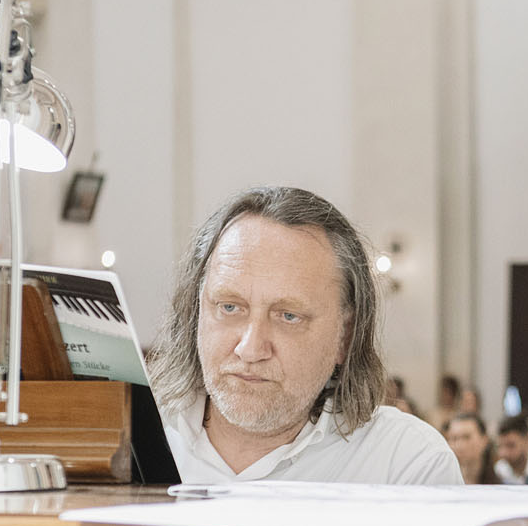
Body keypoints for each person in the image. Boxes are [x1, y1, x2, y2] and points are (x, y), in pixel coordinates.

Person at [151, 185, 461, 486]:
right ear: (197, 313)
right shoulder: (130, 437)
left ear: (345, 335)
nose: (250, 348)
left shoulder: (403, 466)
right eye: (230, 307)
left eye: (288, 316)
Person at [445, 411, 501, 484]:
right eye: (454, 438)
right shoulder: (441, 483)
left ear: (484, 440)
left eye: (466, 437)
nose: (459, 445)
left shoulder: (502, 483)